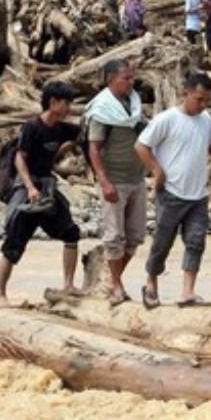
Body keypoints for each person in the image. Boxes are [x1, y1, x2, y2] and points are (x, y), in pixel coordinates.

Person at [135, 72, 211, 308]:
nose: (203, 104)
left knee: (196, 241)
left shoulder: (206, 120)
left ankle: (187, 291)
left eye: (206, 100)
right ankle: (151, 284)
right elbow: (141, 145)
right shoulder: (167, 119)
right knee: (162, 241)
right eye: (199, 99)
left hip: (198, 194)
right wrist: (156, 171)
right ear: (186, 94)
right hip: (171, 192)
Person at [0, 81, 84, 307]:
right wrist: (30, 188)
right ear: (53, 103)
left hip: (48, 187)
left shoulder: (62, 128)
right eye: (66, 102)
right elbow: (20, 157)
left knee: (71, 233)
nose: (69, 107)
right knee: (14, 242)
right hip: (28, 187)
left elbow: (84, 131)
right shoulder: (32, 127)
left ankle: (69, 284)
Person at [85, 59, 147, 306]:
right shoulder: (103, 108)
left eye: (132, 78)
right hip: (115, 179)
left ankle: (113, 279)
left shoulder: (133, 104)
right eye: (126, 78)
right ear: (111, 79)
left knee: (135, 235)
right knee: (114, 236)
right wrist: (104, 181)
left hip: (137, 177)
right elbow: (94, 148)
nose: (131, 83)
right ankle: (116, 285)